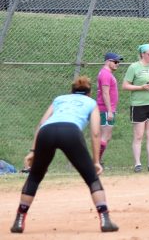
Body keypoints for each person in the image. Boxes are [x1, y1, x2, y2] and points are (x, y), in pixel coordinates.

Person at [10, 76, 119, 233]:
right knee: (91, 178)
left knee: (34, 176)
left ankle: (19, 221)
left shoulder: (60, 99)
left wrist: (33, 151)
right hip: (70, 132)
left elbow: (41, 123)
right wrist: (96, 161)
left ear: (72, 91)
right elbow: (95, 133)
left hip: (46, 132)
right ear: (89, 93)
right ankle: (105, 220)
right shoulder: (91, 102)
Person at [122, 44, 149, 173]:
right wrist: (140, 87)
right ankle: (137, 164)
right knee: (138, 135)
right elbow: (125, 86)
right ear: (142, 54)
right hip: (138, 105)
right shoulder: (134, 67)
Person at [96, 52, 123, 166]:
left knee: (107, 136)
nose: (117, 64)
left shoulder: (106, 73)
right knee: (104, 136)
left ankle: (97, 160)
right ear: (108, 61)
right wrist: (109, 111)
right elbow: (105, 93)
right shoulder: (106, 74)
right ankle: (96, 162)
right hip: (105, 109)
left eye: (118, 62)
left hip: (107, 109)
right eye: (115, 61)